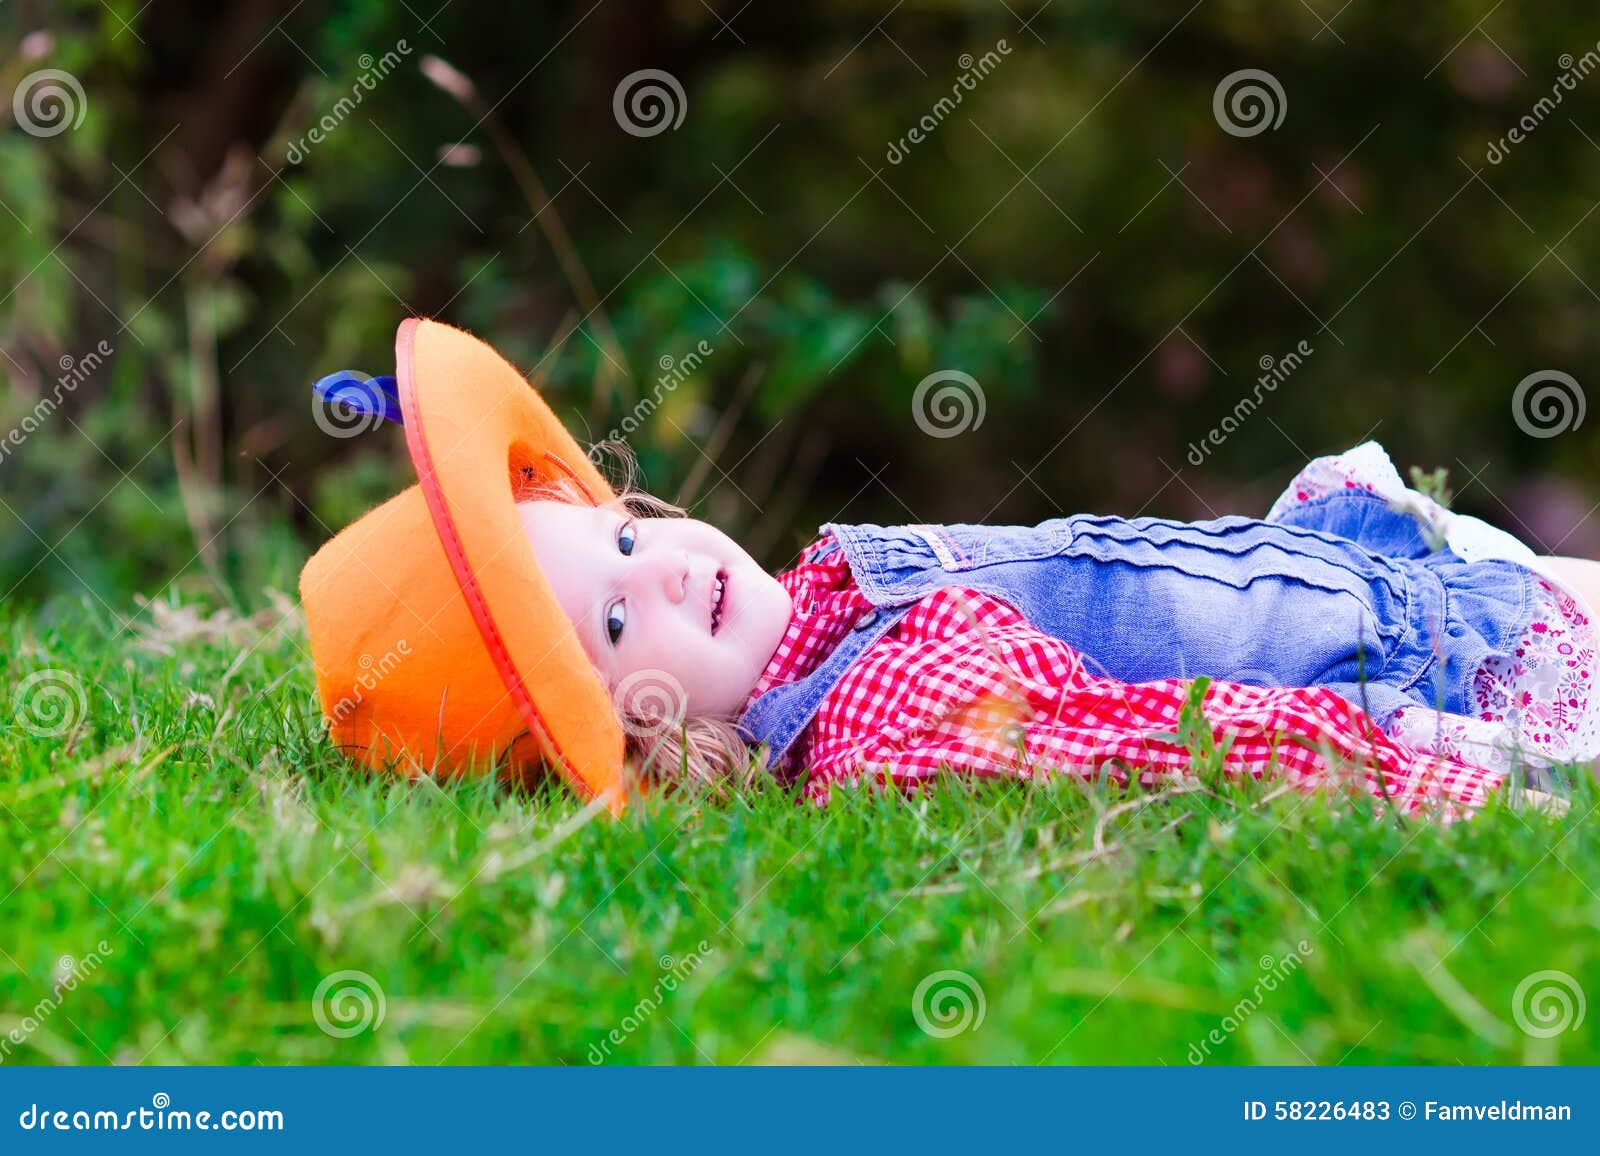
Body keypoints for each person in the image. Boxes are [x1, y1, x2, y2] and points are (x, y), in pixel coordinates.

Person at [303, 320, 1592, 822]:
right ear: (641, 744)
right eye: (615, 616)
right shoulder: (883, 709)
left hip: (1374, 578)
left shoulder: (824, 606)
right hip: (1447, 667)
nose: (670, 570)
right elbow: (1159, 741)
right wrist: (1429, 771)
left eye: (627, 538)